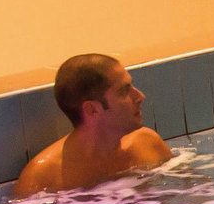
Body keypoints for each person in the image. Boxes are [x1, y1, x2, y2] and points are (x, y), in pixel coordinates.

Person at [13, 53, 172, 195]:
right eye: (124, 91)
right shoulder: (43, 177)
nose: (139, 96)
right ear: (92, 109)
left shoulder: (147, 143)